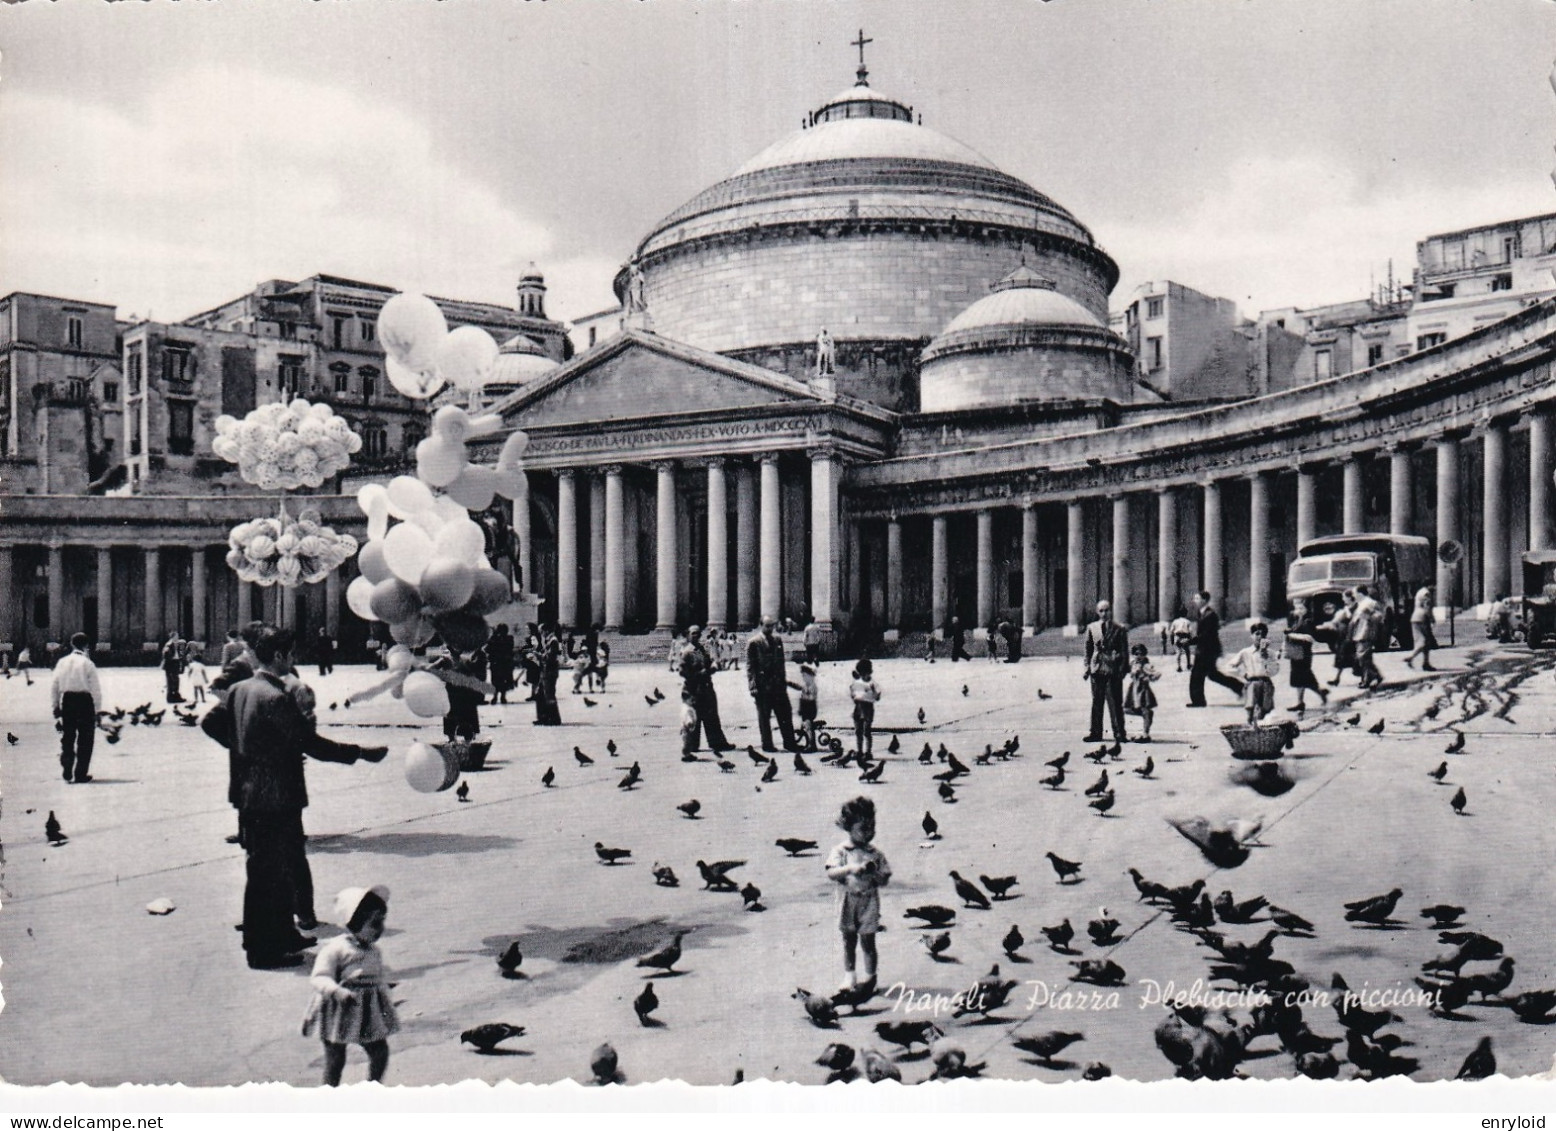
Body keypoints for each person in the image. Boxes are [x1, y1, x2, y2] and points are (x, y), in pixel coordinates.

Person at [218, 626, 386, 968]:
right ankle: (262, 951)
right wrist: (361, 753)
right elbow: (310, 743)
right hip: (277, 797)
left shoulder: (239, 689)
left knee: (270, 871)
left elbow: (217, 726)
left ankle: (278, 937)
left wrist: (248, 753)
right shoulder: (275, 697)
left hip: (251, 794)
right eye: (291, 654)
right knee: (267, 874)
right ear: (279, 656)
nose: (294, 660)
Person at [302, 885, 397, 1086]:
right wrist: (337, 991)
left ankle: (372, 1088)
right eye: (374, 924)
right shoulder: (335, 949)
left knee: (379, 1051)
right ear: (355, 923)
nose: (381, 929)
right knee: (335, 1058)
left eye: (382, 922)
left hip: (367, 1010)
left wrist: (384, 992)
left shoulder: (374, 950)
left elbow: (377, 975)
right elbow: (319, 977)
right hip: (337, 1009)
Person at [825, 796, 891, 996]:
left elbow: (885, 877)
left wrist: (875, 876)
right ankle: (850, 976)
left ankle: (870, 977)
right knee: (849, 940)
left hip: (869, 901)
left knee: (868, 941)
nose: (869, 833)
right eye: (863, 828)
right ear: (849, 828)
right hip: (848, 901)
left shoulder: (875, 854)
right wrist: (850, 869)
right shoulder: (841, 851)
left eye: (872, 827)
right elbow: (831, 873)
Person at [51, 632, 102, 784]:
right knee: (85, 738)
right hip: (84, 701)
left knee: (68, 737)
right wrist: (98, 711)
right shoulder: (88, 664)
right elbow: (95, 690)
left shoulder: (62, 662)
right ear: (86, 646)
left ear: (72, 644)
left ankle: (67, 767)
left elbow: (54, 685)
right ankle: (80, 773)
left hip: (67, 700)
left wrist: (55, 705)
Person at [747, 616, 801, 753]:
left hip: (778, 685)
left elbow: (781, 662)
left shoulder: (777, 640)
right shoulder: (753, 642)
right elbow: (750, 666)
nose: (770, 629)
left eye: (771, 626)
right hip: (762, 685)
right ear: (760, 625)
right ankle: (767, 744)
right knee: (764, 716)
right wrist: (752, 685)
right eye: (767, 626)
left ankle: (790, 743)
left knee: (785, 714)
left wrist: (783, 680)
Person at [1082, 600, 1129, 750]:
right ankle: (1095, 732)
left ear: (1111, 611)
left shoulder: (1119, 628)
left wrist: (1123, 668)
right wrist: (1086, 667)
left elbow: (1124, 650)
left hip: (1113, 669)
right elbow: (1087, 649)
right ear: (1097, 612)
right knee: (1097, 702)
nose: (1104, 613)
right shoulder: (1091, 628)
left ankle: (1119, 733)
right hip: (1097, 669)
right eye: (1101, 611)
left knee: (1115, 703)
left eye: (1107, 610)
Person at [679, 626, 732, 752]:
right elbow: (682, 672)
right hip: (693, 689)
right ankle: (691, 745)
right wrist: (699, 674)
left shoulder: (702, 650)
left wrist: (713, 666)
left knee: (712, 716)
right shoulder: (686, 652)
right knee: (693, 718)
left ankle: (717, 743)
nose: (695, 636)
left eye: (698, 633)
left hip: (706, 688)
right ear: (688, 635)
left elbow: (708, 664)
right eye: (693, 634)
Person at [1187, 591, 1244, 707]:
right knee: (1213, 675)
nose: (1194, 601)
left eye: (1197, 598)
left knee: (1197, 675)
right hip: (1206, 650)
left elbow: (1207, 635)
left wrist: (1190, 641)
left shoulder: (1210, 615)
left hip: (1207, 651)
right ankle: (1241, 687)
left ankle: (1198, 701)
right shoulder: (1202, 613)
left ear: (1204, 600)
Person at [1282, 598, 1328, 715]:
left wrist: (1292, 635)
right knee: (1301, 678)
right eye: (1296, 607)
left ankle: (1309, 698)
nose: (1298, 610)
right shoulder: (1296, 620)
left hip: (1304, 653)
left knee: (1304, 677)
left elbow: (1310, 638)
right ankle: (1303, 701)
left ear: (1306, 609)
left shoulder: (1308, 621)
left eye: (1301, 607)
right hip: (1296, 653)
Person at [1228, 622, 1280, 725]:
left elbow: (1275, 671)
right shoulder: (1246, 652)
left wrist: (1266, 658)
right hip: (1252, 682)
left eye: (1263, 634)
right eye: (1257, 634)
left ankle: (1263, 727)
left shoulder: (1270, 653)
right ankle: (1250, 722)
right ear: (1251, 635)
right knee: (1250, 706)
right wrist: (1242, 674)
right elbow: (1230, 666)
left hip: (1266, 682)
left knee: (1266, 709)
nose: (1260, 637)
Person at [435, 649, 484, 742]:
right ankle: (462, 739)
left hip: (458, 691)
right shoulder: (464, 658)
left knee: (455, 715)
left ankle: (456, 739)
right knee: (462, 715)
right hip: (461, 692)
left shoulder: (448, 659)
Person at [1123, 642, 1160, 742]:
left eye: (1141, 654)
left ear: (1144, 654)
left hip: (1143, 689)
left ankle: (1145, 734)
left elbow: (1156, 674)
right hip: (1133, 688)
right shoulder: (1132, 663)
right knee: (1126, 709)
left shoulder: (1146, 665)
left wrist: (1148, 678)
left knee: (1144, 709)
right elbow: (1125, 670)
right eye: (1136, 654)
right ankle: (1147, 716)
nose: (1139, 656)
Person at [1352, 585, 1384, 690]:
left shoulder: (1370, 603)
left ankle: (1371, 677)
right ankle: (1371, 677)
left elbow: (1379, 616)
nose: (1353, 596)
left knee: (1362, 657)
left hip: (1366, 633)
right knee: (1364, 658)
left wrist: (1369, 617)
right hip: (1359, 633)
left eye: (1354, 593)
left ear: (1360, 594)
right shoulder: (1360, 603)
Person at [848, 658, 882, 757]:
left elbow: (877, 697)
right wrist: (852, 694)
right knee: (858, 731)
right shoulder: (857, 682)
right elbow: (853, 694)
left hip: (868, 708)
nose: (864, 675)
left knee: (867, 731)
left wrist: (873, 691)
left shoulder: (873, 683)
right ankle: (859, 751)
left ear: (869, 672)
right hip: (858, 707)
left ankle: (868, 752)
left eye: (865, 673)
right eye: (861, 673)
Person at [1322, 591, 1357, 686]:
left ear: (1350, 597)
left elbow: (1352, 618)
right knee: (1342, 657)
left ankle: (1372, 676)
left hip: (1351, 635)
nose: (1343, 599)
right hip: (1344, 635)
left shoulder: (1355, 607)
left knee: (1353, 657)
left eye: (1344, 597)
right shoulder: (1347, 608)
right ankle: (1337, 679)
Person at [532, 626, 562, 726]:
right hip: (545, 671)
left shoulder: (553, 641)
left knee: (549, 694)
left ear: (546, 630)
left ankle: (554, 718)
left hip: (550, 671)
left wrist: (538, 655)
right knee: (540, 694)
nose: (541, 634)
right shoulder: (548, 640)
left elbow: (550, 657)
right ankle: (543, 717)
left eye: (541, 632)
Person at [1406, 585, 1438, 672]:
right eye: (1433, 585)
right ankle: (1411, 657)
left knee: (1426, 643)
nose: (1434, 588)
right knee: (1423, 641)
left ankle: (1426, 663)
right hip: (1422, 618)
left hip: (1416, 617)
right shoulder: (1426, 593)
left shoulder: (1420, 591)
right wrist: (1432, 618)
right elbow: (1427, 607)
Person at [485, 624, 515, 705]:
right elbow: (487, 649)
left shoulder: (508, 638)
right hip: (498, 663)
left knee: (501, 680)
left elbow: (507, 648)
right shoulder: (495, 639)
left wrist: (494, 638)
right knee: (496, 681)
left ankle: (500, 696)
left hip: (502, 663)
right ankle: (498, 696)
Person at [792, 662, 819, 752]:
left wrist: (804, 697)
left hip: (809, 708)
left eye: (805, 676)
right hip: (805, 708)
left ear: (810, 676)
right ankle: (809, 743)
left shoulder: (812, 686)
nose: (803, 678)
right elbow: (798, 687)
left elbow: (811, 698)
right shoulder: (806, 685)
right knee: (806, 726)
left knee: (808, 727)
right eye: (803, 676)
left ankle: (812, 745)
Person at [161, 630, 185, 703]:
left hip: (175, 663)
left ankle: (176, 696)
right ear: (173, 637)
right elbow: (165, 655)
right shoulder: (169, 644)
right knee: (171, 681)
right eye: (176, 636)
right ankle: (171, 697)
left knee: (176, 680)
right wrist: (171, 658)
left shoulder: (176, 644)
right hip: (170, 664)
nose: (178, 637)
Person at [1169, 606, 1195, 673]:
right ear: (1186, 614)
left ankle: (1178, 666)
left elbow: (1171, 632)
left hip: (1177, 637)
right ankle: (1188, 664)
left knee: (1178, 652)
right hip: (1185, 637)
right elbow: (1190, 631)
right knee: (1187, 651)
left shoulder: (1175, 621)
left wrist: (1172, 640)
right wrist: (1190, 639)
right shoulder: (1188, 622)